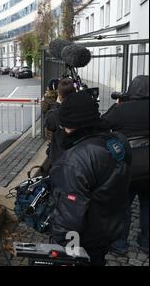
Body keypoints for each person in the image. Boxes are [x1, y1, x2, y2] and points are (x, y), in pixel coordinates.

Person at [49, 91, 131, 266]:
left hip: (87, 239)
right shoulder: (119, 142)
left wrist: (65, 252)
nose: (62, 129)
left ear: (72, 125)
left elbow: (69, 219)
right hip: (109, 228)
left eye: (64, 125)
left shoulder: (74, 161)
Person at [103, 75, 149, 255]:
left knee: (122, 206)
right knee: (147, 206)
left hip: (127, 166)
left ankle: (120, 243)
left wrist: (119, 105)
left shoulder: (121, 109)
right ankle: (146, 242)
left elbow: (102, 123)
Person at [44, 78, 76, 165]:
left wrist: (57, 105)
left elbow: (49, 123)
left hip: (60, 159)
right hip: (78, 157)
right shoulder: (81, 110)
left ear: (60, 96)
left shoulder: (55, 114)